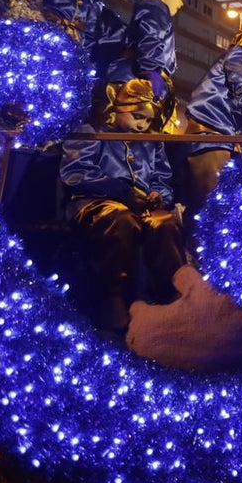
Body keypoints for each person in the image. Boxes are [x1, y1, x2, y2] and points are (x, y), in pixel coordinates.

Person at [60, 78, 187, 334]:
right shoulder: (92, 132)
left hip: (141, 207)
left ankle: (172, 297)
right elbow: (76, 174)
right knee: (120, 219)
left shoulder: (151, 143)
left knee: (164, 223)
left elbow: (162, 178)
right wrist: (121, 191)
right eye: (137, 116)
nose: (142, 125)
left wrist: (157, 195)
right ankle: (112, 297)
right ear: (117, 108)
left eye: (148, 120)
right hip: (95, 204)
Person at [182, 21, 242, 214]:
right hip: (212, 137)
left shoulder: (234, 56)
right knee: (213, 207)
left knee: (206, 206)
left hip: (214, 136)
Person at [106, 0, 186, 131]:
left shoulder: (153, 10)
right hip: (138, 84)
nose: (181, 3)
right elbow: (151, 38)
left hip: (138, 77)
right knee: (142, 132)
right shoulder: (155, 9)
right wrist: (152, 72)